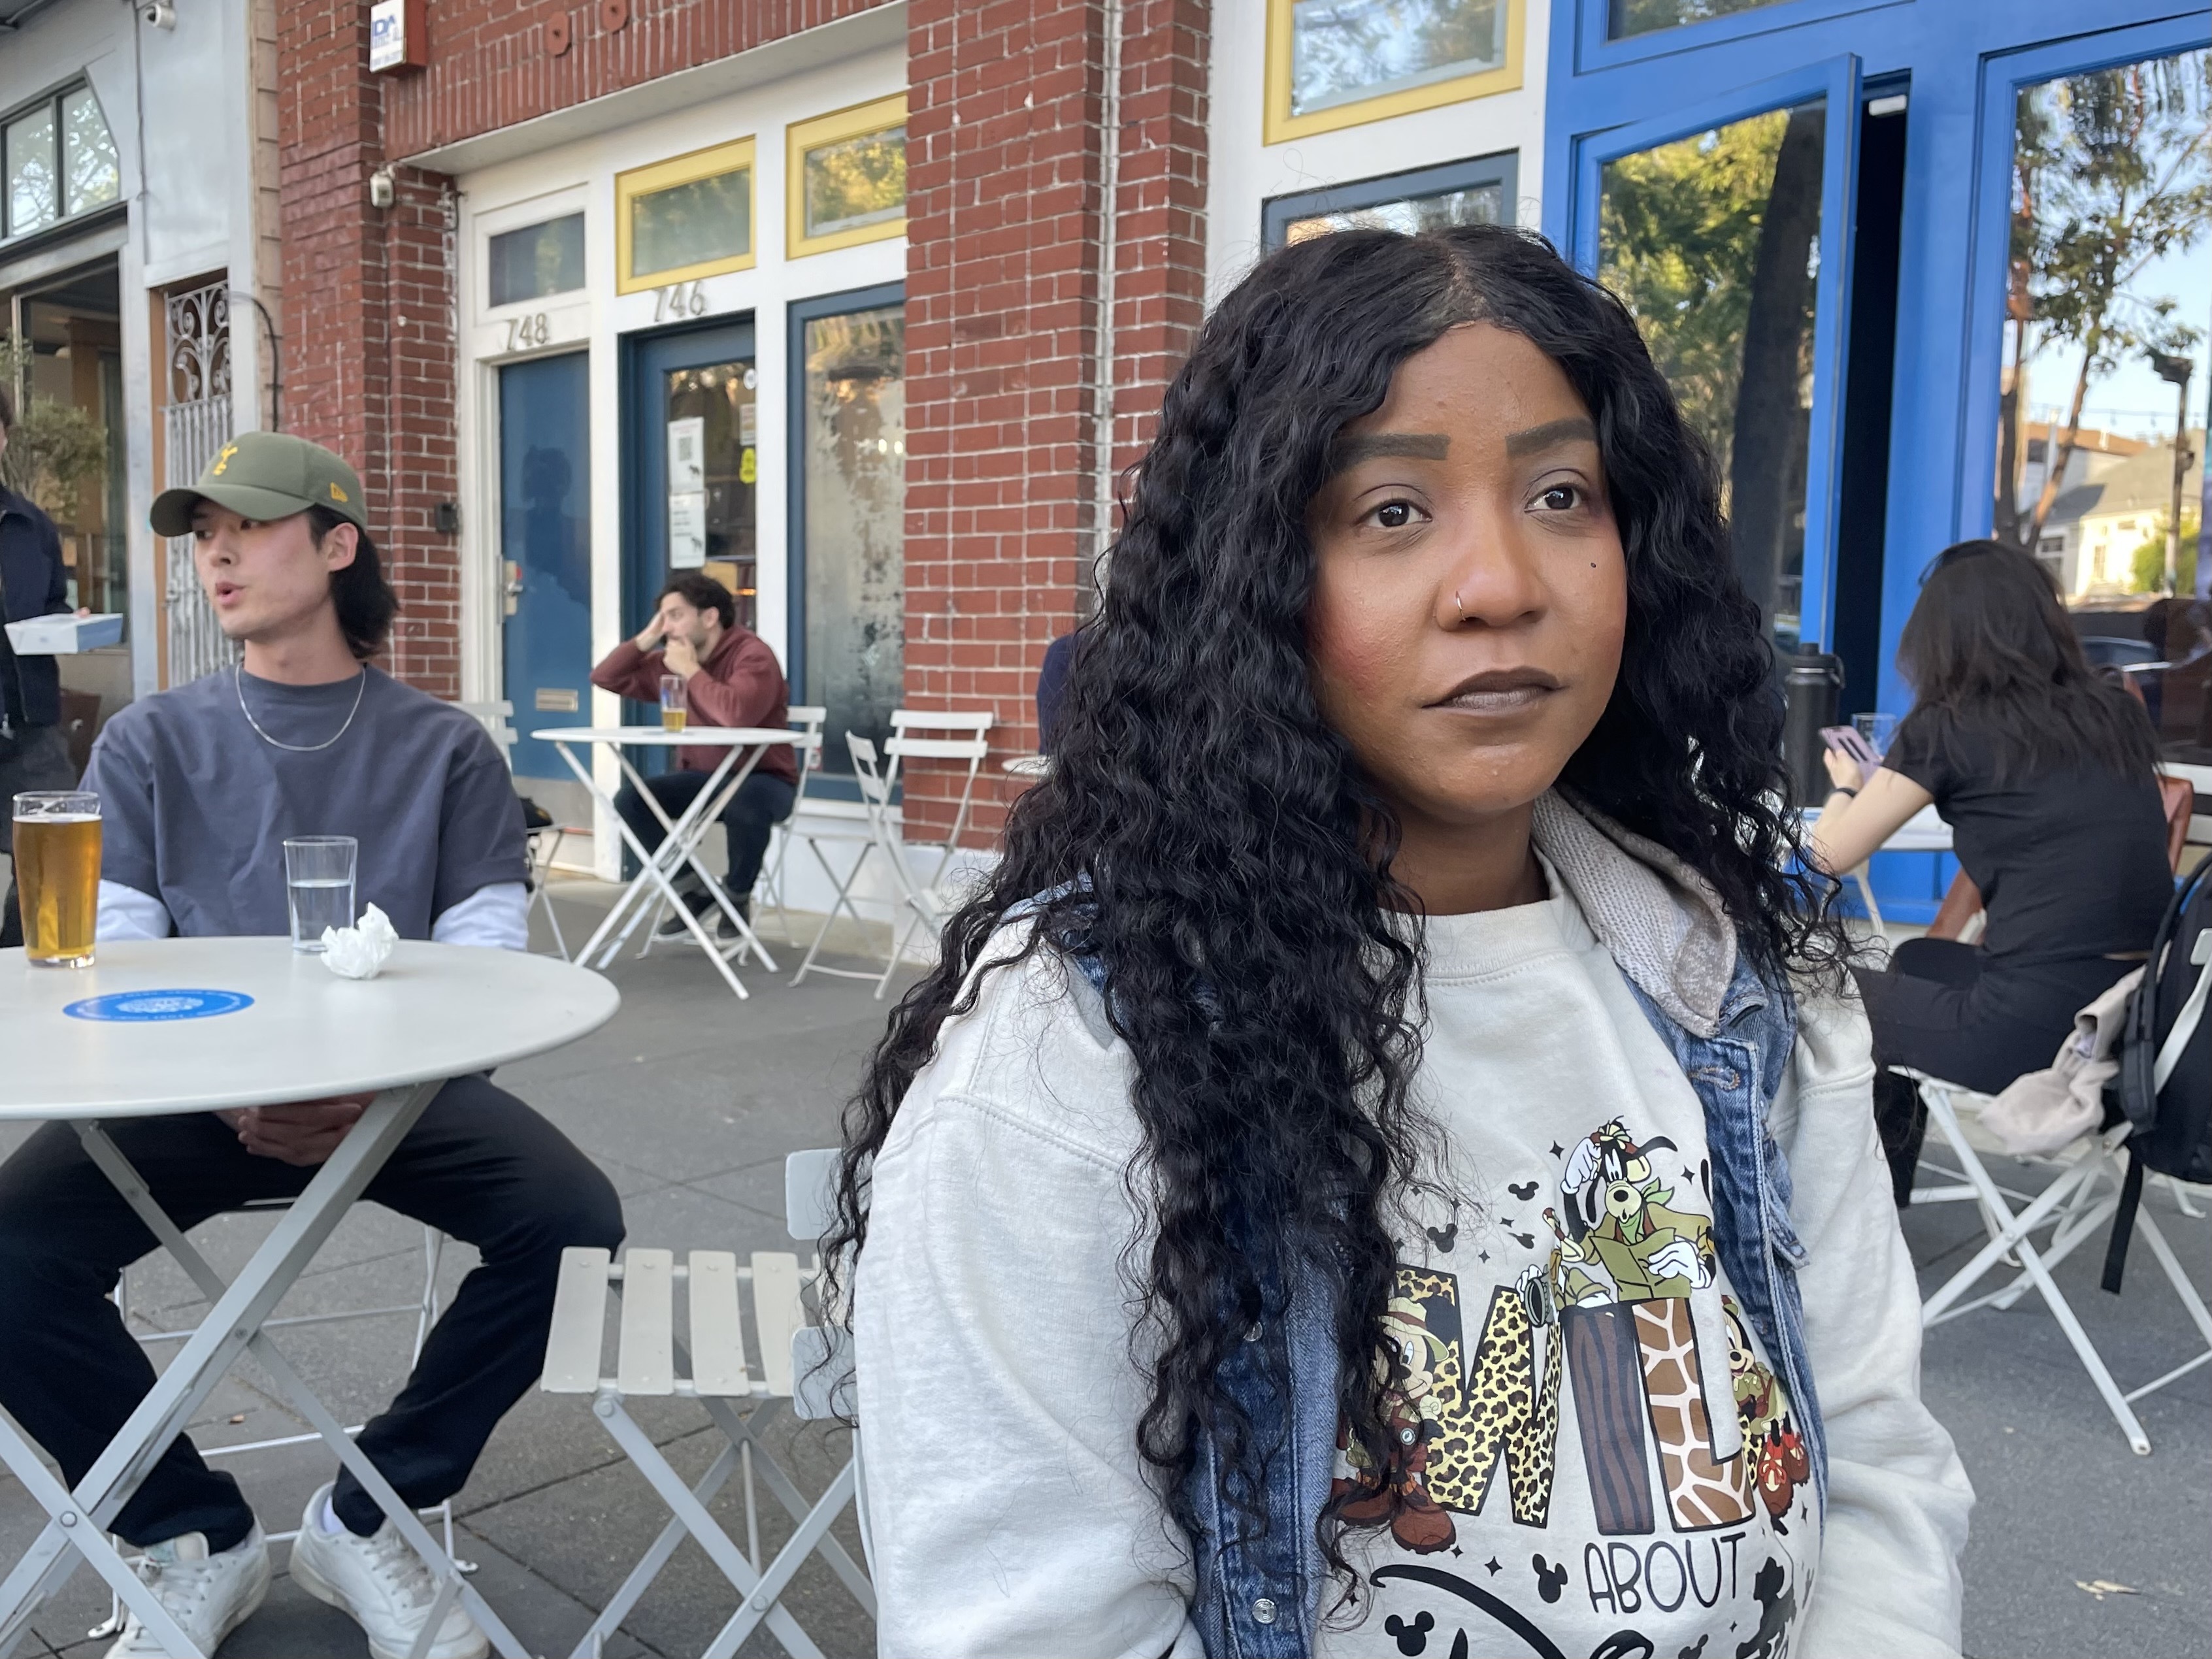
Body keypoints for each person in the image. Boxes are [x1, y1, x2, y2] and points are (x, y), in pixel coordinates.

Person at [837, 225, 1971, 1658]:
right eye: (1390, 511)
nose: (1498, 581)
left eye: (1563, 493)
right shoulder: (1067, 1056)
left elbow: (1875, 1461)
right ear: (1256, 583)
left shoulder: (1747, 989)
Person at [0, 431, 625, 1659]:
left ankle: (370, 1510)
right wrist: (229, 1085)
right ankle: (189, 1528)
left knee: (575, 1224)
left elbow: (490, 970)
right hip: (180, 1096)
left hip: (391, 1100)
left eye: (250, 524)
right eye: (202, 532)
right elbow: (114, 966)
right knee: (6, 1254)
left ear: (338, 545)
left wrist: (368, 1090)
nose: (216, 551)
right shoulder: (146, 739)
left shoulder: (444, 744)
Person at [1809, 539, 2173, 1201]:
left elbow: (1831, 855)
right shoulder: (2115, 714)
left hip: (2029, 1034)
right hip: (2132, 1021)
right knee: (1920, 960)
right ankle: (1883, 1202)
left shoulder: (1947, 728)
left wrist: (1845, 786)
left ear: (1941, 638)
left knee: (1810, 986)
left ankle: (1841, 1210)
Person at [589, 572, 795, 939]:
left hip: (764, 778)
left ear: (710, 617)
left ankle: (735, 896)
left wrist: (691, 671)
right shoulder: (672, 658)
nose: (668, 627)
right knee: (632, 800)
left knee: (744, 803)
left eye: (676, 615)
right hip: (704, 778)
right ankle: (695, 890)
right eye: (663, 617)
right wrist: (645, 639)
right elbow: (605, 677)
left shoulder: (752, 654)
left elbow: (735, 715)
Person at [0, 381, 81, 947]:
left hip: (30, 723)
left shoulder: (31, 526)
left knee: (57, 851)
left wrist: (70, 622)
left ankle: (17, 959)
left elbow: (54, 604)